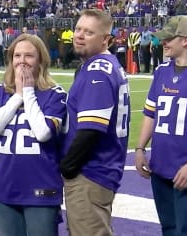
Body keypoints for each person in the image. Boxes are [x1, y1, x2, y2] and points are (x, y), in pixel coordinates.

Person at [135, 15, 187, 236]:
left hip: (185, 167)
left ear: (185, 40)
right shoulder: (162, 71)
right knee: (169, 228)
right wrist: (140, 148)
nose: (163, 43)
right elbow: (150, 113)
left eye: (168, 39)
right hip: (159, 166)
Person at [0, 34, 67, 236]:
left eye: (29, 56)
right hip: (5, 186)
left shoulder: (55, 94)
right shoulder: (0, 92)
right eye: (17, 55)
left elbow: (43, 132)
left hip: (41, 187)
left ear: (41, 60)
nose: (22, 61)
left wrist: (28, 93)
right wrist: (18, 95)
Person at [59, 9, 130, 236]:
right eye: (78, 29)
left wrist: (67, 168)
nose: (79, 35)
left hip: (90, 172)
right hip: (99, 170)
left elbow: (91, 129)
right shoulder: (100, 66)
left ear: (105, 39)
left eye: (89, 32)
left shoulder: (97, 70)